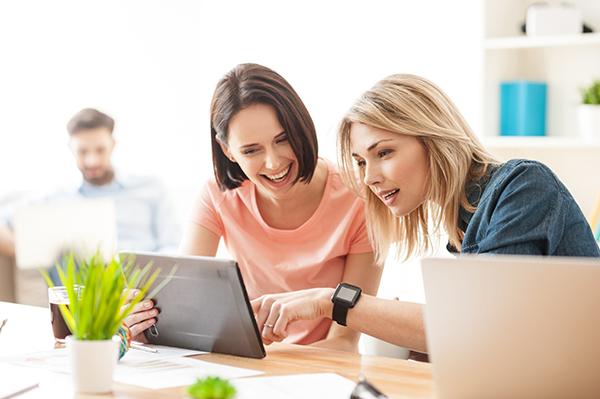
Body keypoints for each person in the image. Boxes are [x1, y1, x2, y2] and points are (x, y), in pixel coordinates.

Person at [249, 73, 600, 355]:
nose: (368, 177)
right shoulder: (462, 221)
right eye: (360, 162)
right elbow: (482, 337)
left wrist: (330, 300)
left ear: (433, 140)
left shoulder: (523, 186)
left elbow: (484, 332)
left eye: (383, 152)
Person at [125, 63, 381, 352]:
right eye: (251, 150)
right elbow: (183, 307)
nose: (273, 163)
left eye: (282, 140)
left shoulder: (359, 197)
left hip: (322, 365)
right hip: (247, 360)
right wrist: (148, 324)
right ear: (227, 151)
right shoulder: (217, 195)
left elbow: (344, 340)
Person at [0, 108, 181, 304]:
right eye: (83, 151)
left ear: (112, 145)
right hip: (87, 289)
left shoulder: (149, 187)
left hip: (140, 284)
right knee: (64, 259)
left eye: (100, 150)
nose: (92, 160)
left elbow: (172, 244)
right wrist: (28, 250)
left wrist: (140, 275)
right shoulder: (57, 196)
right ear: (70, 148)